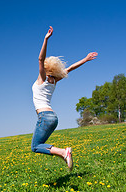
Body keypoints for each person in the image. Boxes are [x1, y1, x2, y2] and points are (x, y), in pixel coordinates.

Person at [31, 26, 98, 171]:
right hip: (53, 117)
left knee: (35, 146)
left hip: (44, 117)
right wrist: (85, 59)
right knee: (39, 144)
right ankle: (63, 154)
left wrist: (45, 39)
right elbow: (70, 68)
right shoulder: (54, 80)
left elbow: (40, 59)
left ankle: (63, 152)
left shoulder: (42, 79)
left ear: (47, 68)